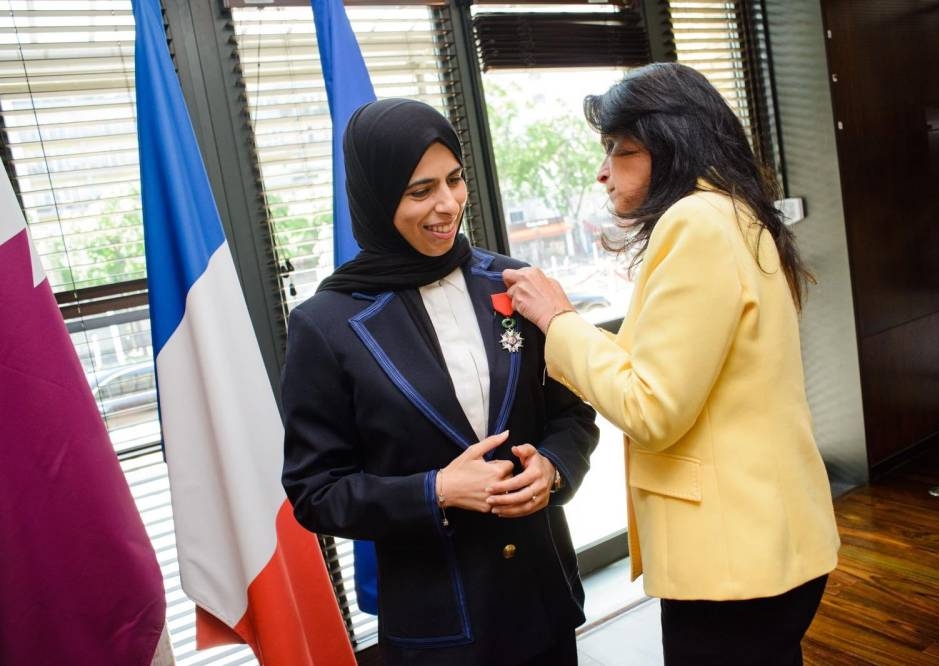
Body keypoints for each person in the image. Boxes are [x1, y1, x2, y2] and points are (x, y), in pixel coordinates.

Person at [498, 62, 841, 665]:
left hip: (733, 558)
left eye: (618, 151)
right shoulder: (735, 211)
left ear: (667, 146)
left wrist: (557, 321)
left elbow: (651, 408)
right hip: (770, 537)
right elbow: (668, 368)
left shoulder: (694, 223)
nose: (602, 173)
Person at [280, 98, 599, 666]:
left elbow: (572, 415)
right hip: (440, 629)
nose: (447, 205)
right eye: (420, 191)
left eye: (454, 180)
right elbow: (316, 493)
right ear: (377, 196)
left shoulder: (514, 282)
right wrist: (437, 491)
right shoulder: (327, 325)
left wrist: (553, 468)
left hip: (542, 599)